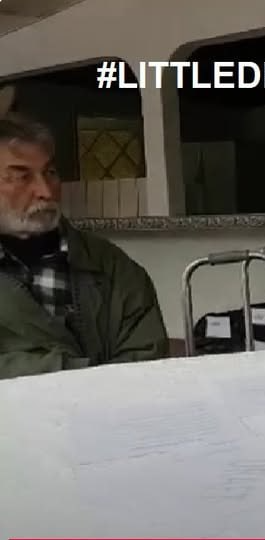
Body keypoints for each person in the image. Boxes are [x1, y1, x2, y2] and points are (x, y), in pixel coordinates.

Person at [0, 114, 168, 379]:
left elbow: (148, 363)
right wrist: (69, 371)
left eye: (50, 173)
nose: (46, 191)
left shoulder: (112, 266)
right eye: (22, 177)